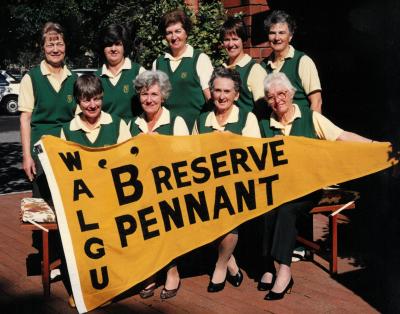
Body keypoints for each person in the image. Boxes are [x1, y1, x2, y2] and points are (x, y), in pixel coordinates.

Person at [258, 72, 374, 301]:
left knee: (286, 209)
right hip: (278, 188)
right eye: (271, 97)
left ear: (291, 94)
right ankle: (268, 266)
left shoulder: (311, 118)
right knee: (266, 209)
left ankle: (284, 270)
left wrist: (374, 146)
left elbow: (342, 137)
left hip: (308, 187)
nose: (277, 100)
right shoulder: (263, 126)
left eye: (281, 93)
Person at [193, 67, 260, 292]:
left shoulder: (247, 119)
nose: (222, 96)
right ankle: (231, 262)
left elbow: (255, 157)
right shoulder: (202, 119)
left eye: (227, 91)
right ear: (211, 92)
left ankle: (220, 266)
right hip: (207, 184)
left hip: (238, 185)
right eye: (217, 90)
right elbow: (192, 155)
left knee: (227, 210)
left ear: (236, 94)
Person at [130, 70, 189, 299]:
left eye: (154, 94)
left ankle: (172, 270)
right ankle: (151, 271)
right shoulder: (132, 125)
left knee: (163, 212)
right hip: (141, 191)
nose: (149, 99)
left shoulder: (176, 122)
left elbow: (186, 161)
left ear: (163, 96)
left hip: (171, 190)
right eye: (144, 94)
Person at [19, 22, 77, 200]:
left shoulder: (74, 79)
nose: (55, 49)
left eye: (59, 43)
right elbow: (25, 119)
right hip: (41, 154)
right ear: (43, 47)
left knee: (69, 207)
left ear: (65, 46)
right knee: (43, 208)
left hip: (68, 153)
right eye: (50, 44)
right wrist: (27, 156)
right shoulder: (32, 78)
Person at [153, 8, 213, 130]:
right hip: (168, 132)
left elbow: (211, 98)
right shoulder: (158, 63)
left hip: (195, 131)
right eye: (169, 33)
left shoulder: (200, 59)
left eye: (178, 31)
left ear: (186, 33)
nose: (174, 37)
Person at [261, 10, 323, 113]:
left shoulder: (302, 62)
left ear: (290, 36)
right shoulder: (263, 66)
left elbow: (316, 102)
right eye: (272, 33)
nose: (277, 38)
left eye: (281, 33)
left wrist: (310, 128)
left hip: (300, 127)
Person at [61, 74, 131, 146]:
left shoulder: (117, 125)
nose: (93, 105)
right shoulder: (67, 130)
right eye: (86, 100)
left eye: (96, 99)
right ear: (77, 101)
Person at [220, 16, 267, 118]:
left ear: (243, 41)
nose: (231, 44)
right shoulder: (220, 69)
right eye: (227, 40)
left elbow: (263, 109)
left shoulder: (254, 70)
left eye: (235, 39)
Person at [96, 24, 145, 121]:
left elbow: (151, 106)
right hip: (107, 133)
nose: (113, 49)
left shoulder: (139, 72)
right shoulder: (96, 78)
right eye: (109, 45)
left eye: (118, 44)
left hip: (133, 134)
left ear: (124, 46)